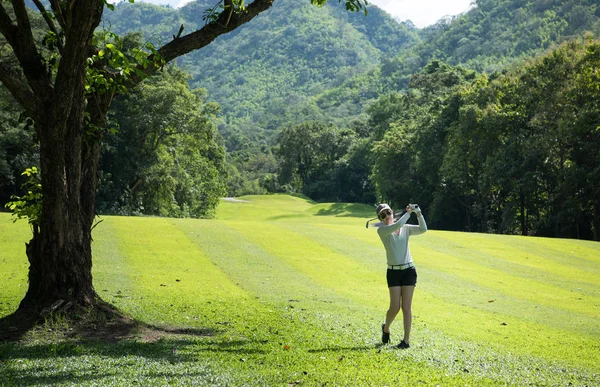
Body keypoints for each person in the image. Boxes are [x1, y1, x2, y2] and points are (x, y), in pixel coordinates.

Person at [375, 203, 427, 349]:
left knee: (406, 307)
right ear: (380, 218)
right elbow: (398, 224)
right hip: (393, 272)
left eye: (388, 213)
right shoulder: (382, 231)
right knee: (395, 307)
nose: (386, 217)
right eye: (383, 215)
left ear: (392, 212)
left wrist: (418, 213)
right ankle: (386, 327)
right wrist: (409, 212)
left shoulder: (405, 228)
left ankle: (406, 341)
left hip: (409, 270)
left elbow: (423, 229)